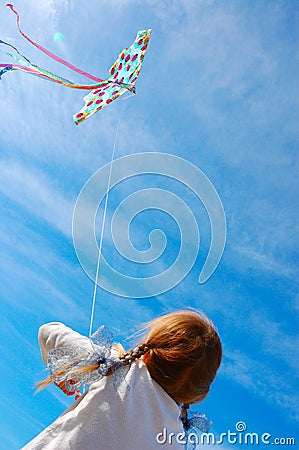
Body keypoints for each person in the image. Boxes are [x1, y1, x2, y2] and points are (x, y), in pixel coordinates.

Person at [21, 310, 222, 450]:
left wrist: (68, 371)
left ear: (148, 352)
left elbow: (49, 332)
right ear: (196, 395)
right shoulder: (176, 442)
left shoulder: (116, 367)